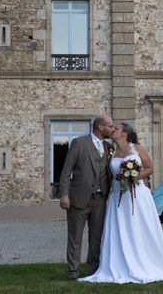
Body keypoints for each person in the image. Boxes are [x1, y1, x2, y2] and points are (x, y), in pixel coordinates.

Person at [79, 122, 163, 284]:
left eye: (116, 128)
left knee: (139, 229)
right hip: (117, 198)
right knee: (120, 230)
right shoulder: (111, 152)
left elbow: (150, 168)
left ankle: (144, 261)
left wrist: (135, 176)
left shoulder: (137, 149)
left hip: (138, 196)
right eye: (112, 128)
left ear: (125, 133)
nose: (113, 130)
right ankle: (119, 264)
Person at [59, 114, 115, 280]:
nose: (112, 129)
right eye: (110, 126)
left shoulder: (109, 147)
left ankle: (94, 271)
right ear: (100, 127)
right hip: (78, 198)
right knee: (75, 238)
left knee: (96, 237)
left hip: (100, 199)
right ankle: (72, 272)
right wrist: (64, 194)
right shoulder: (79, 143)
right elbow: (66, 170)